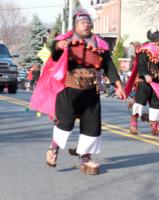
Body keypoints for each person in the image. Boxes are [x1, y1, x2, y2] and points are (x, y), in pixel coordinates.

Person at [31, 10, 125, 175]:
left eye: (88, 22)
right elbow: (54, 53)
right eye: (82, 22)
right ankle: (54, 148)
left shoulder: (99, 45)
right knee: (65, 123)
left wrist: (119, 85)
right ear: (75, 26)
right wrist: (59, 46)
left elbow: (109, 66)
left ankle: (86, 158)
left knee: (92, 126)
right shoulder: (65, 41)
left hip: (91, 91)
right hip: (68, 89)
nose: (86, 24)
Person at [125, 28, 159, 136]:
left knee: (157, 104)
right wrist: (145, 74)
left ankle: (155, 126)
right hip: (145, 81)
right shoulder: (143, 49)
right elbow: (141, 63)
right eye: (157, 37)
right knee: (139, 102)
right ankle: (133, 123)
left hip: (158, 81)